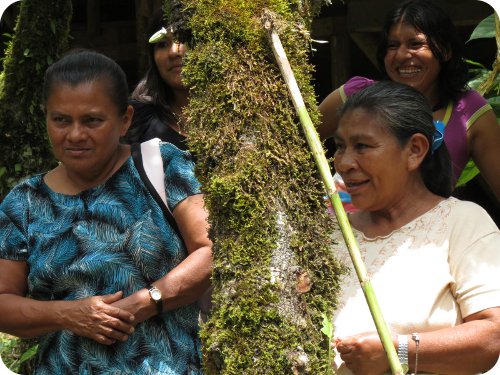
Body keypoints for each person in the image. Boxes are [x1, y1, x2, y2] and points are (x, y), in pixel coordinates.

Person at [0, 50, 212, 374]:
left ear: (125, 120)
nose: (75, 135)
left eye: (92, 120)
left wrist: (145, 303)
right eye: (60, 120)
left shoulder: (161, 165)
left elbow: (210, 250)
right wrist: (68, 314)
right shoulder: (24, 203)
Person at [330, 81, 500, 375]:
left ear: (415, 150)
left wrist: (398, 350)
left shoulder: (462, 223)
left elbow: (492, 335)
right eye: (340, 146)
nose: (344, 162)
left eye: (362, 146)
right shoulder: (329, 232)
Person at [318, 0, 500, 201]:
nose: (403, 55)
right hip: (344, 227)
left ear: (446, 50)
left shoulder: (469, 110)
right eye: (392, 45)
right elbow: (293, 142)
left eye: (416, 44)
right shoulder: (357, 94)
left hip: (430, 231)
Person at [123, 10, 190, 150]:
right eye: (162, 44)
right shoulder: (136, 119)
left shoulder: (241, 112)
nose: (173, 51)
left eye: (184, 39)